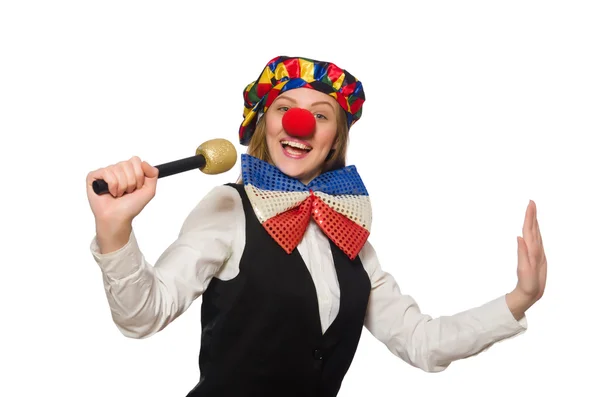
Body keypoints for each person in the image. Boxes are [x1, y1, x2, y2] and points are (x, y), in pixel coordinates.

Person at [86, 55, 547, 397]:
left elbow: (421, 342)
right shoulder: (229, 207)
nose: (300, 123)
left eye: (320, 115)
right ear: (263, 124)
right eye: (284, 108)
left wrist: (519, 299)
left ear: (333, 141)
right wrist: (115, 233)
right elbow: (142, 317)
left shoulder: (351, 235)